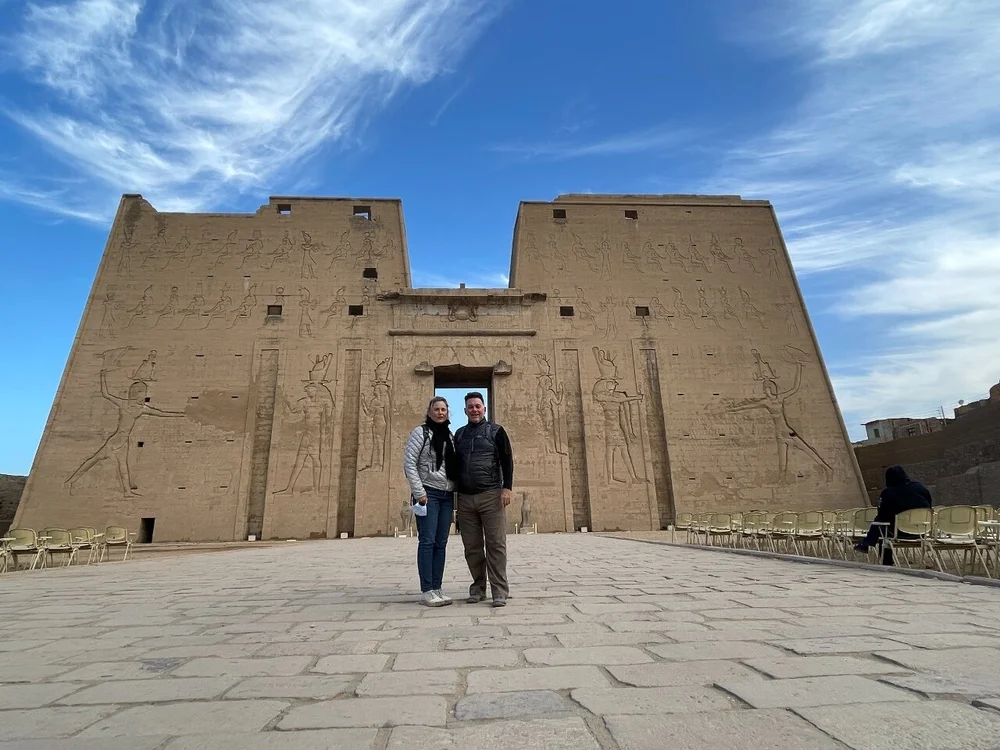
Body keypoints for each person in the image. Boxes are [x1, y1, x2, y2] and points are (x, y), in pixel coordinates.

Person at [454, 392, 514, 607]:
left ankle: (499, 590)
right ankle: (478, 588)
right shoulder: (459, 435)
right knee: (472, 546)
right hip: (465, 498)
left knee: (496, 544)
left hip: (491, 494)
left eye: (478, 406)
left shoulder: (496, 431)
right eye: (470, 407)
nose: (474, 410)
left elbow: (507, 459)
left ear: (484, 409)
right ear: (465, 411)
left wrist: (506, 488)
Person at [403, 396, 460, 606]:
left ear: (448, 412)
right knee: (427, 542)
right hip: (428, 493)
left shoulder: (450, 436)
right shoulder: (420, 433)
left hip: (446, 495)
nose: (440, 412)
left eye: (444, 409)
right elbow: (409, 463)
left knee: (441, 543)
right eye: (436, 409)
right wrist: (419, 492)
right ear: (429, 412)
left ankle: (437, 587)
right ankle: (427, 589)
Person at [855, 465, 933, 565]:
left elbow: (882, 513)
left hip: (900, 531)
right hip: (923, 531)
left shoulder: (889, 492)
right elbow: (929, 506)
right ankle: (866, 543)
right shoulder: (921, 487)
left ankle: (881, 556)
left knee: (881, 526)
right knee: (882, 523)